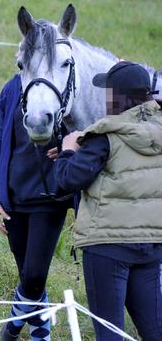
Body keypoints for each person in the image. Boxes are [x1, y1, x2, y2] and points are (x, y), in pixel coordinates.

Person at [55, 61, 162, 340]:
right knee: (155, 330)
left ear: (118, 96)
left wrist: (68, 150)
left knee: (110, 332)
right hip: (151, 245)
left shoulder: (104, 137)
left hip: (107, 247)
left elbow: (67, 181)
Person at [0, 58, 73, 341]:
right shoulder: (11, 89)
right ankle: (40, 334)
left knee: (35, 275)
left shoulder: (63, 85)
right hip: (14, 197)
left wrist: (68, 146)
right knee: (29, 278)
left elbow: (84, 132)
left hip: (50, 198)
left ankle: (12, 329)